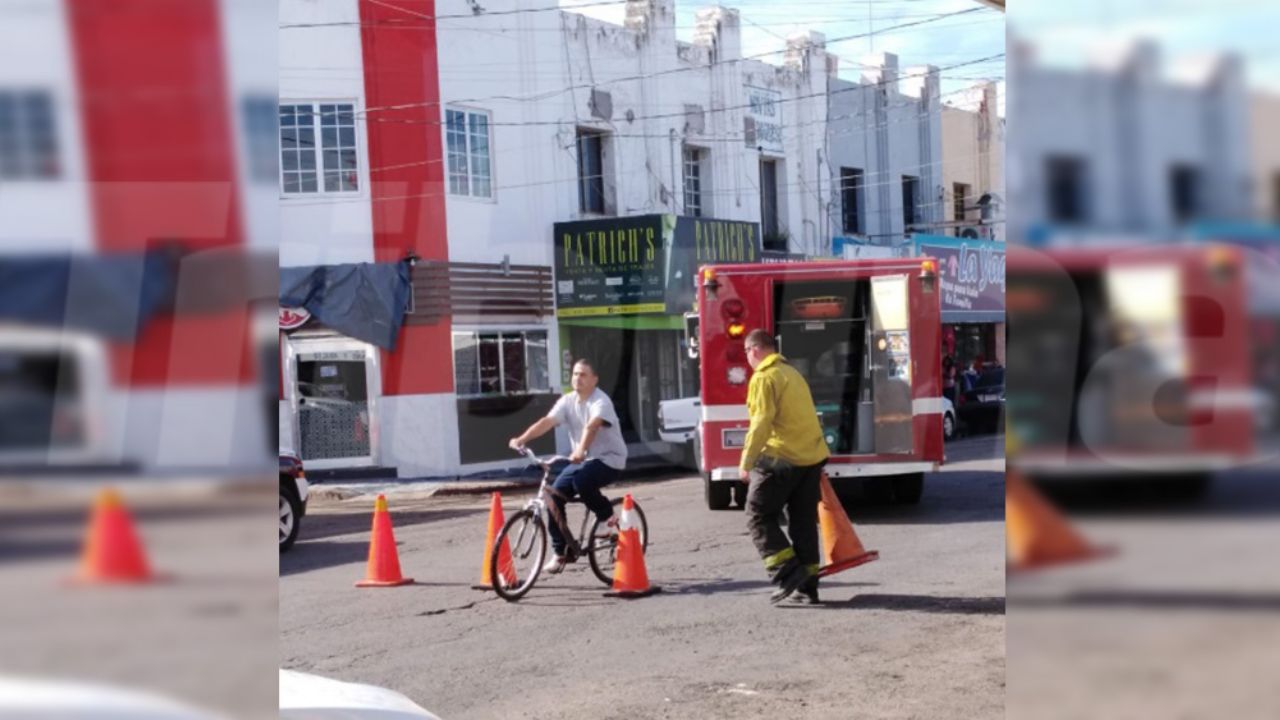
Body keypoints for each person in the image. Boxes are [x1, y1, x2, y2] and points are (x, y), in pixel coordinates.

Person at [509, 359, 627, 574]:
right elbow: (547, 421)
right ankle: (561, 550)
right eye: (574, 374)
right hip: (582, 461)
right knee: (553, 497)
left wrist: (580, 450)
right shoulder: (568, 401)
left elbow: (592, 426)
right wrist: (522, 439)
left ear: (594, 379)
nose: (577, 378)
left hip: (609, 459)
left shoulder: (601, 401)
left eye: (582, 374)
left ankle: (606, 518)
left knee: (582, 482)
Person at [738, 329, 830, 605]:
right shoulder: (793, 374)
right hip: (811, 458)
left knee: (757, 514)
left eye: (746, 353)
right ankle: (809, 585)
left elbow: (761, 423)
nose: (747, 359)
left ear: (754, 350)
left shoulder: (765, 378)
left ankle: (788, 575)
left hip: (782, 459)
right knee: (802, 521)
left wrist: (747, 462)